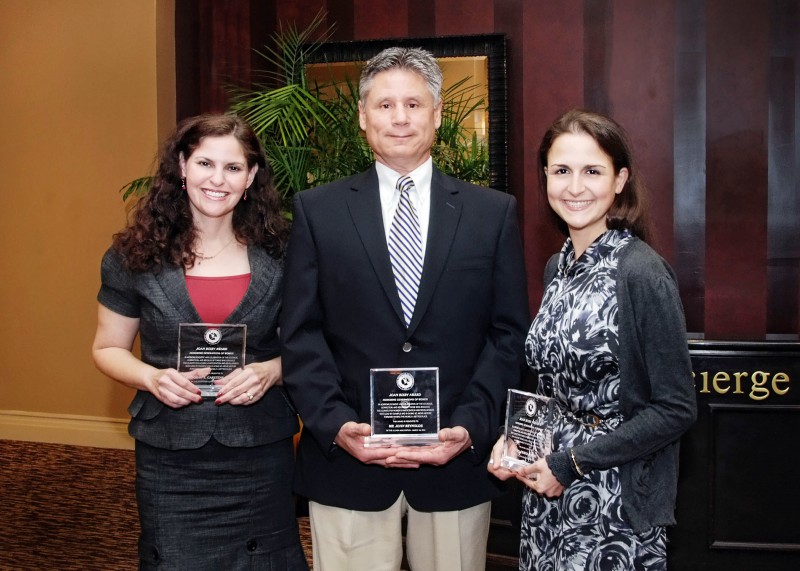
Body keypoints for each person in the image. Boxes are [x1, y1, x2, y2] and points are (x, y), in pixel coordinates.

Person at [279, 47, 530, 571]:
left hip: (454, 461)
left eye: (413, 104)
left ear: (437, 115)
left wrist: (469, 428)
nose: (399, 118)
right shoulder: (317, 211)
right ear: (363, 118)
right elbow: (301, 333)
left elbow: (507, 335)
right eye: (385, 104)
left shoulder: (493, 214)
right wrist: (335, 423)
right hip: (349, 461)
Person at [92, 114, 309, 570]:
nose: (218, 179)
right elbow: (107, 348)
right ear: (182, 166)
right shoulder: (133, 254)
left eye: (233, 168)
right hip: (170, 456)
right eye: (206, 163)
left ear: (250, 178)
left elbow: (316, 340)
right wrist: (151, 377)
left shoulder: (285, 252)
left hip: (259, 450)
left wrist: (274, 369)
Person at [488, 109, 698, 570]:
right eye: (561, 171)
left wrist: (573, 464)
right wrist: (514, 439)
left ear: (620, 179)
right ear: (545, 176)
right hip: (545, 491)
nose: (575, 186)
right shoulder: (557, 266)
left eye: (592, 171)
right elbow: (551, 386)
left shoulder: (641, 272)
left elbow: (676, 407)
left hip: (612, 501)